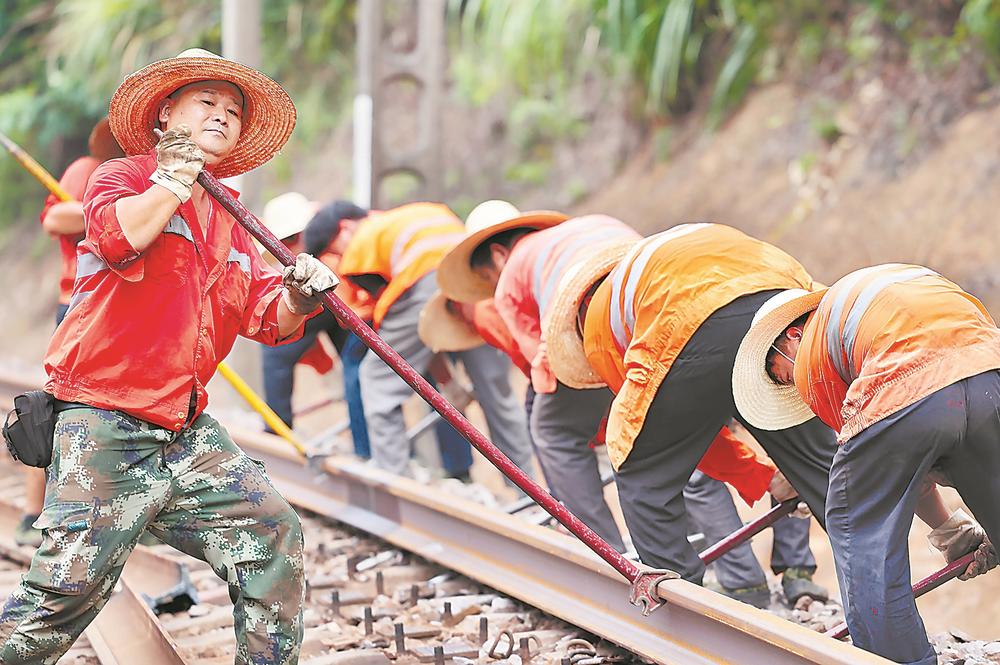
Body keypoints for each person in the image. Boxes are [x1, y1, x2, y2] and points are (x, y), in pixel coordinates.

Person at [0, 49, 337, 664]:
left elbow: (265, 317)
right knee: (60, 598)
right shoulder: (123, 177)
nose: (223, 115)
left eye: (233, 110)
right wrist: (173, 181)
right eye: (207, 102)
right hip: (104, 420)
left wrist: (298, 295)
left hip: (184, 429)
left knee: (271, 532)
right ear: (164, 115)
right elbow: (116, 236)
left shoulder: (232, 216)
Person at [545, 223, 837, 598]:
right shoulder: (664, 264)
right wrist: (768, 476)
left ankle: (683, 604)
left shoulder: (598, 325)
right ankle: (884, 605)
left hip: (691, 322)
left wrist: (757, 475)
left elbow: (670, 433)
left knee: (641, 474)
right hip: (783, 302)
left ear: (579, 311)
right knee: (825, 474)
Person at [732, 262, 1000, 664]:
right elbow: (920, 455)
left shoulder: (812, 355)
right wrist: (955, 530)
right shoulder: (864, 308)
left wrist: (946, 530)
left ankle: (895, 659)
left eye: (781, 374)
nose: (792, 384)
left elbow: (885, 468)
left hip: (910, 383)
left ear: (793, 336)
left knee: (852, 520)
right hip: (988, 369)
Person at [437, 201, 635, 551]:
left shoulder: (499, 294)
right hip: (637, 303)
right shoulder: (567, 240)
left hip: (584, 332)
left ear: (498, 256)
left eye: (486, 278)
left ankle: (599, 546)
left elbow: (535, 360)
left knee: (549, 426)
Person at [333, 201, 535, 480]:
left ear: (342, 232)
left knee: (376, 378)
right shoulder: (426, 218)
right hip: (461, 267)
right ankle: (526, 487)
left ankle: (396, 483)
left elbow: (412, 326)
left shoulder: (358, 250)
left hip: (429, 279)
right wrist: (448, 382)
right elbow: (429, 338)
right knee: (497, 394)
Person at [11, 119, 125, 549]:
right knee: (57, 407)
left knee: (120, 414)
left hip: (129, 314)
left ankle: (119, 515)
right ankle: (33, 513)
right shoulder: (88, 169)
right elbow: (55, 218)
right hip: (80, 303)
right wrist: (114, 210)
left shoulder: (158, 181)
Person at [258, 193, 372, 457]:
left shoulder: (325, 249)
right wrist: (328, 371)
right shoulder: (333, 234)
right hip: (345, 306)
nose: (290, 247)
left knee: (275, 347)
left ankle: (277, 432)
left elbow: (290, 338)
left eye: (291, 239)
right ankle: (367, 442)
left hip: (341, 301)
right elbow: (308, 338)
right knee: (355, 368)